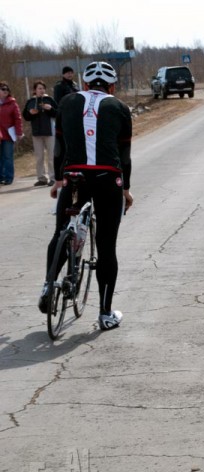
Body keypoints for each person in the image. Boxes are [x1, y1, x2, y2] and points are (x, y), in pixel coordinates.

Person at [39, 62, 134, 330]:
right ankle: (105, 313)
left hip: (74, 177)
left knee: (60, 232)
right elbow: (124, 156)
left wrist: (59, 180)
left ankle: (48, 285)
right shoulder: (120, 107)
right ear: (112, 86)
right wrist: (126, 189)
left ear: (84, 85)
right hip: (108, 179)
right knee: (106, 245)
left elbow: (60, 147)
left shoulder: (67, 102)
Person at [22, 80, 58, 186]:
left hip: (49, 131)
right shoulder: (30, 101)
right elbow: (26, 116)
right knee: (39, 157)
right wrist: (30, 113)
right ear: (34, 90)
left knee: (51, 156)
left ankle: (53, 178)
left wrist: (50, 109)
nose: (41, 90)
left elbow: (57, 113)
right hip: (37, 132)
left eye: (43, 88)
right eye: (39, 88)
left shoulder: (49, 100)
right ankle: (41, 178)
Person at [0, 81, 24, 185]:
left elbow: (17, 119)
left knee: (7, 156)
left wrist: (19, 132)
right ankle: (1, 176)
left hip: (8, 135)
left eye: (7, 89)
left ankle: (9, 177)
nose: (5, 91)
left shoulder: (12, 103)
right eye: (3, 89)